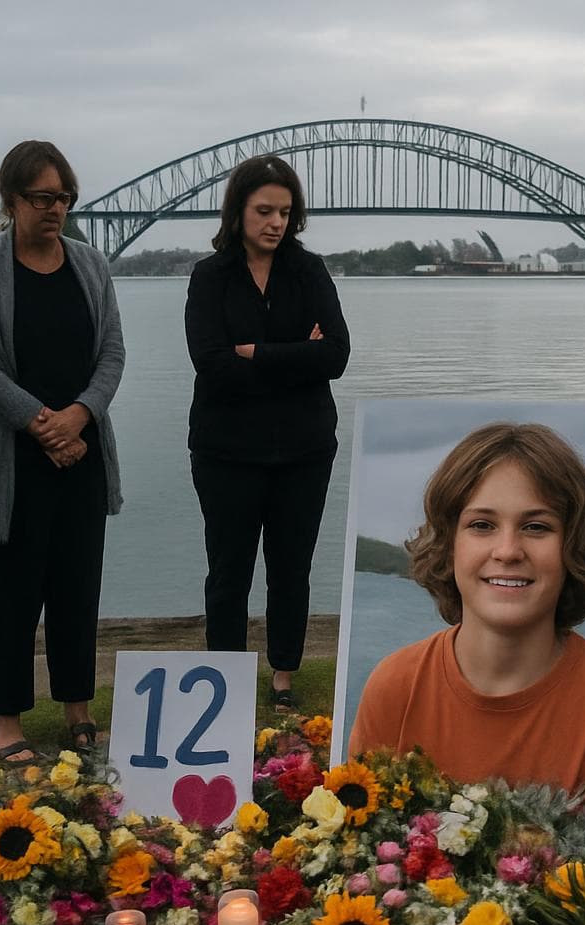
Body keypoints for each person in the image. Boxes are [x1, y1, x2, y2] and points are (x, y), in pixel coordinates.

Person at [348, 423, 585, 804]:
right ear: (449, 543)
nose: (508, 551)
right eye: (481, 525)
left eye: (536, 527)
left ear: (571, 548)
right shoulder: (393, 689)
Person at [0, 141, 125, 763]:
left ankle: (78, 710)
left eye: (64, 197)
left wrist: (79, 415)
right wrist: (40, 424)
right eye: (42, 198)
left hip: (81, 456)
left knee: (77, 588)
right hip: (10, 463)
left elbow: (112, 353)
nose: (56, 209)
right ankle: (8, 722)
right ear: (10, 200)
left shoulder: (91, 265)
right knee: (8, 594)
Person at [184, 155, 349, 709]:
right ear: (239, 211)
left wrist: (257, 354)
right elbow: (210, 363)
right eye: (264, 210)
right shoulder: (210, 276)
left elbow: (337, 355)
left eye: (285, 211)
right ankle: (224, 681)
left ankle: (283, 676)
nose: (276, 222)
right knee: (228, 571)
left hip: (303, 450)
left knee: (290, 567)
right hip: (226, 451)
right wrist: (298, 357)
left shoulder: (311, 271)